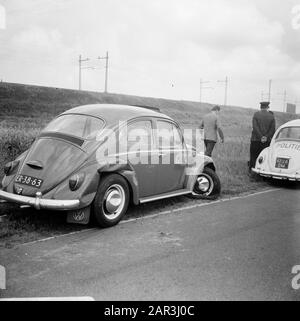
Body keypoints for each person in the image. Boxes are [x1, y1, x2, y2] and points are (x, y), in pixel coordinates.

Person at [249, 101, 276, 172]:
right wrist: (266, 137)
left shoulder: (256, 114)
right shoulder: (271, 116)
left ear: (260, 107)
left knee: (254, 157)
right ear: (267, 107)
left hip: (255, 140)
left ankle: (252, 173)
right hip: (267, 141)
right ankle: (263, 172)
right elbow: (272, 129)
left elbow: (255, 127)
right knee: (265, 158)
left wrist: (260, 137)